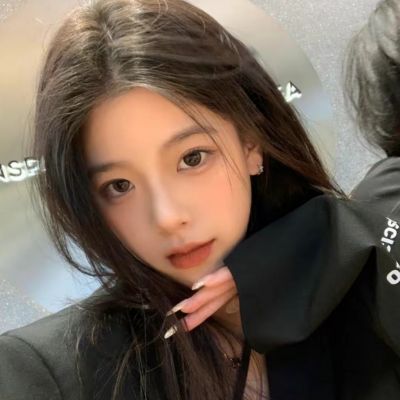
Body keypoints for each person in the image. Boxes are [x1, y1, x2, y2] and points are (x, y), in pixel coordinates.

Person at [0, 1, 399, 400]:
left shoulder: (366, 287)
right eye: (119, 185)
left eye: (192, 159)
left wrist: (323, 243)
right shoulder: (48, 372)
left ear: (251, 144)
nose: (167, 217)